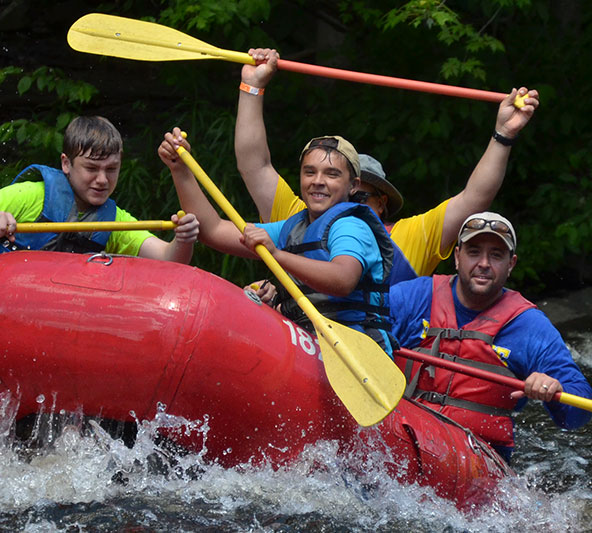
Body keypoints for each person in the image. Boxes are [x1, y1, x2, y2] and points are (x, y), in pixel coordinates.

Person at [235, 48, 540, 282]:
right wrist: (252, 87)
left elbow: (474, 198)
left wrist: (504, 134)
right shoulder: (295, 219)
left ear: (381, 205)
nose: (329, 190)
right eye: (316, 175)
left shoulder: (407, 239)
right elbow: (255, 166)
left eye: (359, 197)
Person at [0, 116, 199, 297]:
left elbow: (170, 262)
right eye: (91, 168)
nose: (103, 180)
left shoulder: (113, 219)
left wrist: (183, 239)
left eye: (112, 169)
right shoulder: (30, 196)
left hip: (52, 311)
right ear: (66, 163)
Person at [159, 127, 397, 356]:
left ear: (353, 185)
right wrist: (180, 170)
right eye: (310, 172)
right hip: (313, 347)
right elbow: (213, 230)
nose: (318, 181)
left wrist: (278, 255)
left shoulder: (351, 226)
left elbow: (343, 280)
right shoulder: (293, 227)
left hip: (358, 354)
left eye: (332, 174)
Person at [390, 211, 592, 462]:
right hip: (403, 435)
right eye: (474, 251)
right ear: (457, 257)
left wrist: (554, 388)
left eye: (496, 255)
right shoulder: (412, 297)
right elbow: (358, 332)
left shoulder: (529, 326)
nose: (484, 263)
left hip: (475, 461)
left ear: (511, 264)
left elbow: (578, 411)